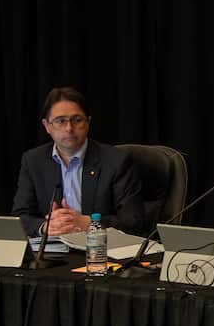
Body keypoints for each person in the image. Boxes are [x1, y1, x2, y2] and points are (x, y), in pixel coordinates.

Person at [11, 87, 146, 238]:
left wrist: (89, 223)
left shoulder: (116, 161)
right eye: (60, 121)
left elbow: (133, 221)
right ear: (47, 126)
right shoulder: (33, 160)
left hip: (99, 249)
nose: (69, 128)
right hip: (53, 251)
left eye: (77, 120)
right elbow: (20, 216)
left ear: (88, 122)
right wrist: (45, 227)